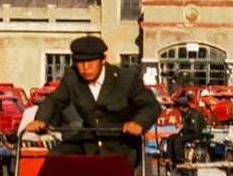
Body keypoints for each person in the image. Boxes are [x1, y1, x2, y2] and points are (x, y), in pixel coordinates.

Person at [26, 36, 161, 169]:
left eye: (91, 62)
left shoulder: (125, 79)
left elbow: (152, 106)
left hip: (122, 144)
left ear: (103, 60)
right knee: (55, 158)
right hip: (88, 142)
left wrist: (138, 123)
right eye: (80, 63)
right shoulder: (72, 78)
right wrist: (41, 119)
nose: (85, 68)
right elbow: (54, 100)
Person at [165, 96, 206, 166]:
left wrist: (183, 127)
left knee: (178, 139)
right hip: (188, 133)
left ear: (182, 106)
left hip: (196, 133)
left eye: (177, 107)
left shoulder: (193, 113)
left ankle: (180, 159)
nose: (177, 109)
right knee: (171, 137)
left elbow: (194, 128)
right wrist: (181, 131)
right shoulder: (184, 114)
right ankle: (169, 159)